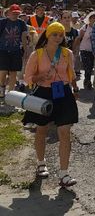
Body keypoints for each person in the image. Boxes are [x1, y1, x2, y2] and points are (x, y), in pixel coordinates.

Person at [23, 22, 79, 187]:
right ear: (48, 35)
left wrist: (75, 88)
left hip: (63, 93)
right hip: (44, 93)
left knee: (64, 132)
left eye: (61, 35)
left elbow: (72, 73)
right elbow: (27, 78)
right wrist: (39, 78)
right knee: (42, 130)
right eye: (55, 34)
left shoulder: (67, 53)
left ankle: (64, 174)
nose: (58, 37)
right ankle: (41, 162)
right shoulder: (37, 54)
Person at [0, 4, 28, 98]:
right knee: (2, 72)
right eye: (14, 13)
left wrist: (25, 50)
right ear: (9, 13)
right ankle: (2, 88)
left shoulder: (21, 23)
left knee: (13, 73)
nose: (15, 15)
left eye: (17, 13)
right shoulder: (2, 22)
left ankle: (10, 94)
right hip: (3, 50)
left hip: (16, 51)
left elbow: (24, 37)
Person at [79, 12, 95, 90]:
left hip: (93, 51)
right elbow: (79, 38)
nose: (94, 19)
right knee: (87, 66)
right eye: (93, 18)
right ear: (89, 19)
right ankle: (88, 81)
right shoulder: (85, 27)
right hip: (84, 49)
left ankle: (87, 79)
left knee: (90, 67)